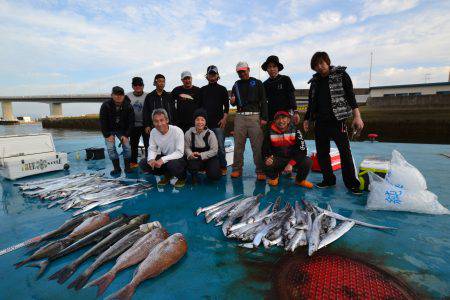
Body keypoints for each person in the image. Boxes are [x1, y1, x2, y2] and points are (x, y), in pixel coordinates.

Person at [303, 51, 364, 195]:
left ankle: (352, 183)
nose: (320, 67)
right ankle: (328, 179)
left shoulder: (341, 75)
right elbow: (311, 103)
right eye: (316, 65)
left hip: (338, 120)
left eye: (322, 63)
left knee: (345, 152)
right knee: (322, 153)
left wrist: (357, 116)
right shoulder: (315, 82)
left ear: (327, 62)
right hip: (320, 122)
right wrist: (307, 119)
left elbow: (350, 96)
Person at [230, 61, 268, 180]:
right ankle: (237, 169)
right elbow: (233, 101)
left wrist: (264, 118)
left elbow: (264, 101)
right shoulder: (236, 84)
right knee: (238, 145)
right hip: (240, 116)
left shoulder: (257, 83)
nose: (241, 73)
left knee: (257, 146)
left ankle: (260, 170)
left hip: (254, 117)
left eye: (243, 71)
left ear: (248, 69)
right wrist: (232, 102)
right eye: (239, 72)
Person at [262, 110, 313, 188]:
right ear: (275, 121)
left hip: (292, 160)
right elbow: (264, 149)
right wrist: (267, 157)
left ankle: (300, 180)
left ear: (288, 120)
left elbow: (303, 150)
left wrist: (291, 163)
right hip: (278, 159)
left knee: (307, 161)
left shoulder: (296, 131)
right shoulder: (269, 131)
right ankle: (274, 177)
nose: (281, 121)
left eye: (283, 118)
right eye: (278, 119)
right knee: (265, 162)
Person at [139, 108, 187, 188]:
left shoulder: (177, 131)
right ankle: (168, 174)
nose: (159, 123)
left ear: (167, 120)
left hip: (179, 158)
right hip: (165, 157)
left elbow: (180, 152)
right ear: (153, 122)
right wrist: (151, 159)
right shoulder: (154, 132)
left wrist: (162, 159)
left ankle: (182, 177)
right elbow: (152, 148)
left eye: (162, 120)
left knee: (172, 164)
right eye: (156, 121)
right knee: (144, 163)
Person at [198, 65, 229, 176]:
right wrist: (200, 123)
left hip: (218, 124)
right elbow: (199, 108)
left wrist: (224, 119)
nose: (212, 76)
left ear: (217, 76)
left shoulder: (223, 89)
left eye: (214, 74)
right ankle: (204, 166)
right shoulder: (202, 90)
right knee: (204, 147)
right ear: (207, 76)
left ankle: (223, 166)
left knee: (220, 147)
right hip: (205, 125)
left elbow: (226, 107)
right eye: (210, 74)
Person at [99, 86, 134, 175]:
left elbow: (131, 122)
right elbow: (102, 121)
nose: (118, 96)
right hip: (109, 130)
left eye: (121, 94)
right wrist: (107, 135)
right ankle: (117, 168)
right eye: (116, 94)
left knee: (127, 147)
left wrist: (126, 135)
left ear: (123, 95)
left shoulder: (128, 106)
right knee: (111, 148)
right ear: (112, 95)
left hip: (122, 130)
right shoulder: (105, 105)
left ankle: (127, 167)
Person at [261, 55, 300, 124]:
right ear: (266, 69)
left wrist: (295, 112)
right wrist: (263, 117)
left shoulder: (285, 79)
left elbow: (291, 96)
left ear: (278, 68)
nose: (272, 69)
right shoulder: (265, 84)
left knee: (289, 134)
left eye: (274, 66)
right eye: (269, 67)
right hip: (272, 116)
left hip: (286, 115)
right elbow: (263, 102)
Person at [185, 109, 221, 182]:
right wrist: (190, 154)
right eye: (197, 119)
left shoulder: (211, 134)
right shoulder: (188, 133)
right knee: (192, 165)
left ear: (205, 122)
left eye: (202, 120)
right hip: (195, 158)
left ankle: (210, 170)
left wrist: (201, 155)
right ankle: (194, 174)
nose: (200, 122)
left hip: (209, 158)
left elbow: (214, 150)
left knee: (214, 176)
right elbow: (186, 147)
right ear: (194, 121)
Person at [125, 77, 149, 168]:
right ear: (132, 86)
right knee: (133, 144)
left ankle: (148, 162)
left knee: (148, 144)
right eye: (135, 85)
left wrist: (149, 125)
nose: (138, 87)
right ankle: (133, 162)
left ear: (143, 86)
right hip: (133, 125)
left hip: (145, 125)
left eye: (140, 85)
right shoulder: (127, 96)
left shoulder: (148, 96)